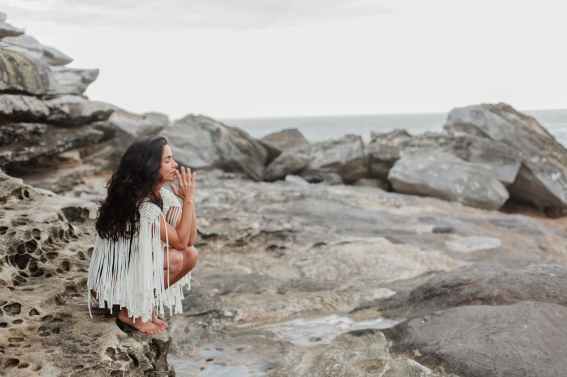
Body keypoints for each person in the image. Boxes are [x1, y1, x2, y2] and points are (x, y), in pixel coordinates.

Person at [87, 136, 199, 335]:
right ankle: (131, 312)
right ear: (150, 166)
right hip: (110, 288)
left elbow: (190, 240)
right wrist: (189, 199)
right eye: (167, 160)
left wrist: (187, 201)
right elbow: (181, 242)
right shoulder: (143, 207)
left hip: (128, 279)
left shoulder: (164, 197)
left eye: (173, 159)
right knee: (176, 258)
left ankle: (142, 307)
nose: (175, 165)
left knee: (191, 255)